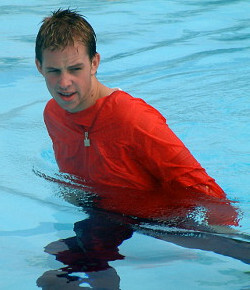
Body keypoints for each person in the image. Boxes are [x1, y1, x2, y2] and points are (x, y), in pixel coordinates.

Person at [35, 9, 239, 225]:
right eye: (54, 71)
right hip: (103, 216)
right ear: (39, 67)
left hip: (161, 223)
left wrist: (219, 243)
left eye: (75, 69)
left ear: (94, 63)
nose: (64, 83)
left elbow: (207, 191)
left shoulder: (132, 117)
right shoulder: (54, 115)